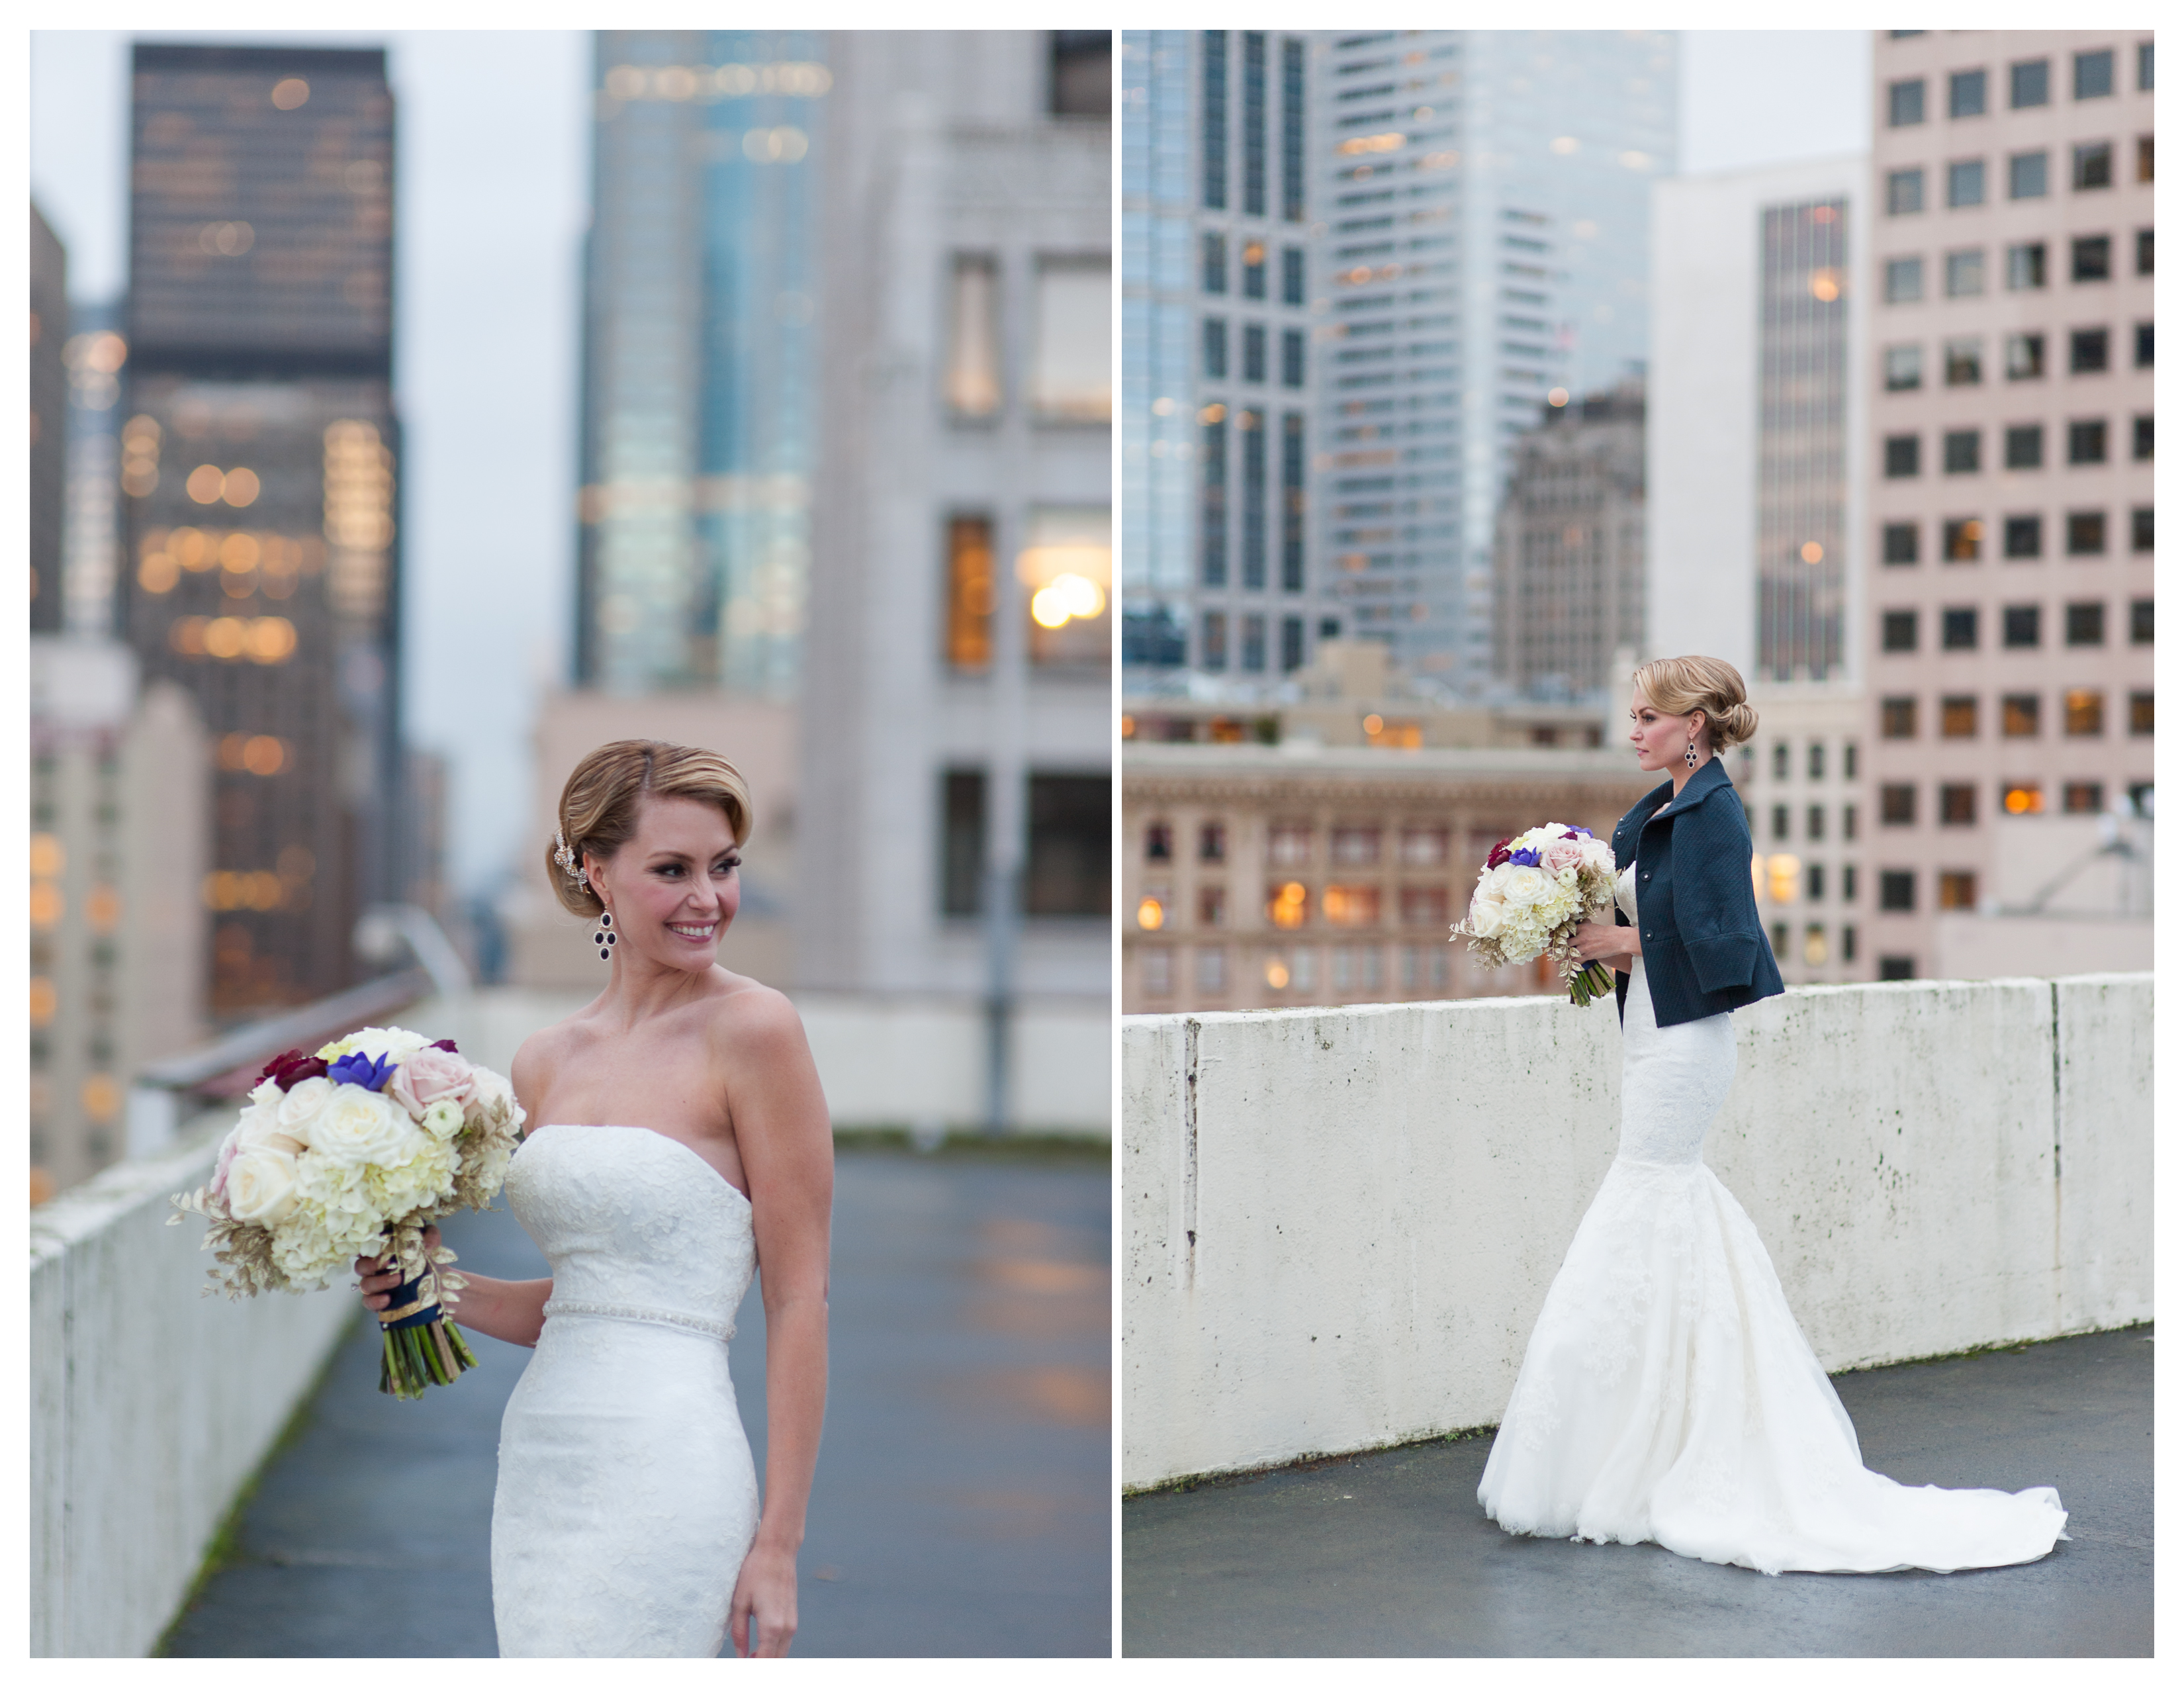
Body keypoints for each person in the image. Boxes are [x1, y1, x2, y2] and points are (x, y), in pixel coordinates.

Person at [1476, 656, 2068, 1575]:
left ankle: (1657, 1451)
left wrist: (1622, 940)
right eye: (1632, 714)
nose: (1634, 729)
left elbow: (1727, 941)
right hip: (1649, 1033)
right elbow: (1642, 897)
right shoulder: (1665, 804)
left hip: (1685, 1046)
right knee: (1666, 1213)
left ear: (1695, 726)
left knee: (1646, 1196)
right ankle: (1656, 1437)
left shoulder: (1715, 812)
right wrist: (1564, 906)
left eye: (1649, 716)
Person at [357, 739, 833, 1654]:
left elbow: (798, 1295)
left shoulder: (756, 1031)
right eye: (673, 869)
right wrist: (428, 1283)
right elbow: (586, 1301)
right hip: (544, 1461)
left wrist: (778, 1541)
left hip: (675, 1465)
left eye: (724, 866)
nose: (709, 897)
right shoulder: (544, 1059)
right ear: (596, 872)